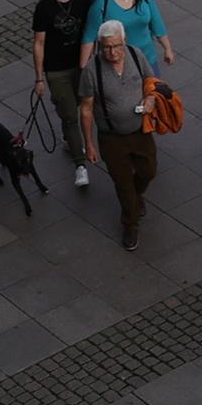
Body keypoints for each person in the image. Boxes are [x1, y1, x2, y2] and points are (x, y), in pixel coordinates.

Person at [78, 18, 161, 250]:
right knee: (123, 184)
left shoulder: (135, 55)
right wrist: (89, 144)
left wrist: (151, 99)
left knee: (148, 171)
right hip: (111, 137)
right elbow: (85, 110)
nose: (112, 52)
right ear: (100, 46)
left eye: (116, 46)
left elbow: (151, 82)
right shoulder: (91, 71)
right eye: (106, 47)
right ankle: (130, 224)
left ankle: (136, 197)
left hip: (140, 131)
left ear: (124, 42)